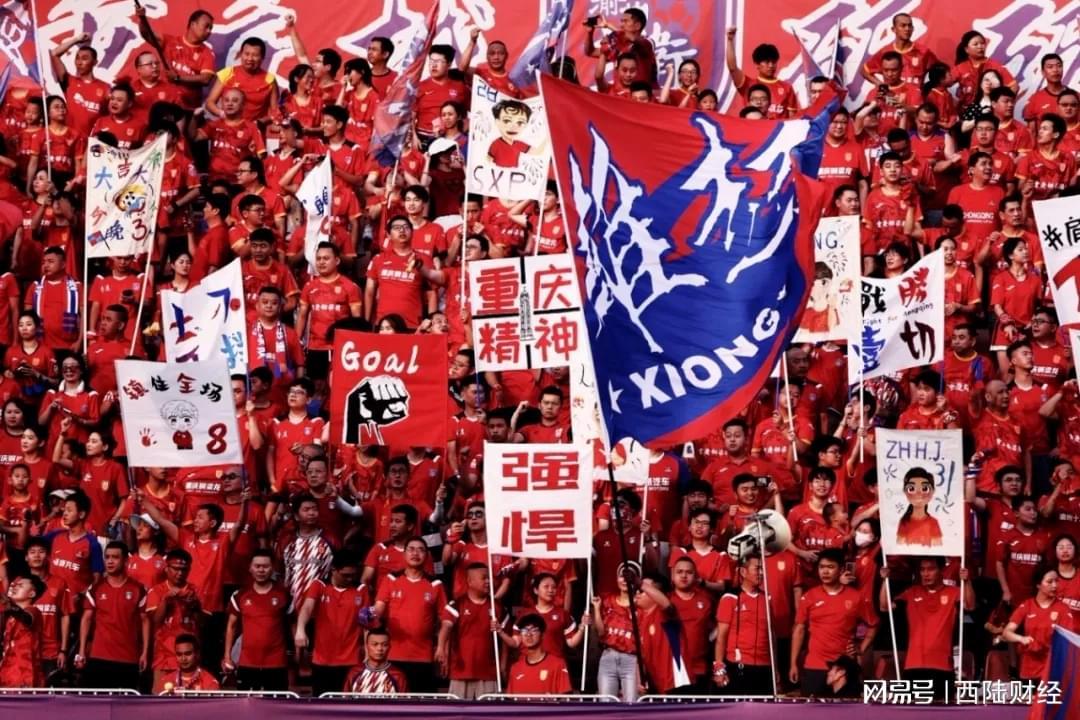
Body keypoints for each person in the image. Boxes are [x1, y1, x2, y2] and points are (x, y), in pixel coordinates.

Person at [881, 558, 974, 699]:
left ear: (941, 571)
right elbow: (884, 606)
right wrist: (884, 580)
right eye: (922, 569)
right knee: (911, 710)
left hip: (943, 666)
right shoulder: (911, 592)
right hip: (913, 665)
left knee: (943, 710)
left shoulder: (954, 592)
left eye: (931, 569)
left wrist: (967, 581)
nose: (925, 574)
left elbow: (969, 605)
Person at [789, 549, 878, 696]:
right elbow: (799, 630)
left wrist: (861, 648)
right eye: (821, 567)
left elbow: (873, 624)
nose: (825, 571)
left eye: (830, 567)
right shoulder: (809, 596)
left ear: (841, 570)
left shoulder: (856, 597)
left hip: (845, 667)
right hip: (815, 666)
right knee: (811, 709)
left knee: (848, 708)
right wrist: (793, 663)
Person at [372, 537, 447, 693]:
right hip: (394, 654)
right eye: (411, 549)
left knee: (422, 702)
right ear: (404, 554)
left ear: (426, 555)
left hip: (424, 655)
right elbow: (378, 608)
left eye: (420, 550)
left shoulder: (435, 584)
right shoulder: (391, 579)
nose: (415, 553)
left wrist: (442, 647)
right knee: (394, 702)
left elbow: (445, 620)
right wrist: (370, 614)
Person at [295, 550, 369, 696]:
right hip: (322, 660)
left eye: (353, 575)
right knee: (322, 703)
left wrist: (367, 653)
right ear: (333, 570)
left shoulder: (362, 589)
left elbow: (366, 624)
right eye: (345, 575)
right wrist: (300, 629)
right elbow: (307, 608)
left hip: (351, 659)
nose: (350, 579)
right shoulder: (319, 585)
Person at [76, 541, 148, 690]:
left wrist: (145, 653)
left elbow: (145, 621)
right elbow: (86, 619)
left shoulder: (138, 589)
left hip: (128, 658)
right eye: (107, 557)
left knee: (125, 703)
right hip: (99, 657)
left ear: (126, 561)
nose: (110, 561)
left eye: (115, 557)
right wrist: (82, 651)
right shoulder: (96, 588)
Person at [223, 549, 289, 691]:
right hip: (247, 662)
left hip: (276, 661)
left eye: (265, 566)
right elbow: (231, 626)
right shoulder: (240, 595)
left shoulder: (284, 594)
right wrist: (227, 656)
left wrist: (299, 654)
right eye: (257, 566)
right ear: (250, 568)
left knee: (277, 703)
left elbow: (293, 625)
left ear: (272, 568)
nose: (261, 570)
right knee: (246, 702)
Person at [1001, 566, 1076, 681]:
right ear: (1038, 585)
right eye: (1049, 582)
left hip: (1052, 670)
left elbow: (1068, 641)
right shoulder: (1027, 605)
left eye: (1056, 581)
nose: (1055, 585)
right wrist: (1021, 639)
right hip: (1028, 671)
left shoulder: (1063, 609)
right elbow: (1006, 633)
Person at [436, 563, 498, 699]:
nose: (488, 581)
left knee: (488, 711)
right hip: (461, 671)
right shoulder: (457, 604)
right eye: (484, 578)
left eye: (489, 578)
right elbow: (446, 626)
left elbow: (503, 641)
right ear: (470, 581)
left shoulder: (496, 606)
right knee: (457, 710)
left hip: (488, 672)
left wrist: (503, 665)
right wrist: (441, 647)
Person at [714, 555, 773, 695]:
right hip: (738, 666)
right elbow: (721, 637)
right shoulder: (730, 598)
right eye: (757, 569)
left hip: (764, 667)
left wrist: (775, 667)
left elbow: (772, 635)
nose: (761, 573)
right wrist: (719, 668)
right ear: (743, 572)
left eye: (763, 569)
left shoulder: (767, 598)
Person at [725, 28, 797, 119]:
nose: (771, 65)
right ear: (757, 64)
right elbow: (732, 68)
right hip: (753, 127)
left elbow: (792, 119)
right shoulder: (748, 84)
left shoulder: (787, 88)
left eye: (773, 62)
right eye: (767, 62)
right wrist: (730, 40)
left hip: (777, 128)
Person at [205, 37, 278, 124]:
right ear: (241, 54)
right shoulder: (227, 73)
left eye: (255, 55)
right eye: (246, 54)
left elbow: (275, 112)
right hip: (228, 127)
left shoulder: (270, 80)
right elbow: (210, 102)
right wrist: (223, 114)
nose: (250, 58)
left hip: (255, 130)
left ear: (262, 57)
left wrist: (259, 123)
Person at [505, 613, 572, 695]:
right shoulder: (515, 668)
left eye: (534, 630)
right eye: (524, 630)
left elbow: (566, 699)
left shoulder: (558, 664)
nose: (528, 634)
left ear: (543, 635)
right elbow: (510, 700)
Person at [0, 574, 46, 688]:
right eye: (15, 585)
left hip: (25, 674)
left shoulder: (33, 611)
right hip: (7, 672)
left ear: (32, 594)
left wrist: (9, 606)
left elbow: (27, 618)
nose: (14, 587)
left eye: (20, 585)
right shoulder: (9, 616)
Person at [343, 627, 408, 694]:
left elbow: (404, 700)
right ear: (366, 646)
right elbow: (344, 699)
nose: (379, 648)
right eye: (375, 644)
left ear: (389, 647)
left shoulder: (397, 675)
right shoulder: (354, 672)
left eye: (384, 645)